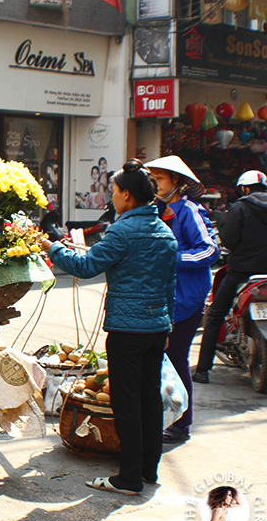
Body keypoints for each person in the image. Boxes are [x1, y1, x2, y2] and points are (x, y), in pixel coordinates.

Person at [41, 159, 177, 495]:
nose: (111, 196)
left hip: (128, 332)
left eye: (114, 191)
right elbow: (170, 285)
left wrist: (53, 248)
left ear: (127, 195)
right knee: (149, 399)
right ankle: (147, 470)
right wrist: (168, 326)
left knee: (126, 402)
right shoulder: (163, 231)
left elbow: (86, 266)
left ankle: (127, 478)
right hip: (156, 328)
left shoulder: (123, 230)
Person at [145, 155, 218, 443]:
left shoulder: (189, 211)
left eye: (160, 179)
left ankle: (181, 424)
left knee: (176, 359)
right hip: (164, 299)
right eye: (153, 180)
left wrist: (172, 258)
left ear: (176, 181)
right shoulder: (157, 210)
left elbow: (209, 251)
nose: (155, 185)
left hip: (187, 298)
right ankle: (166, 416)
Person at [194, 170, 267, 383]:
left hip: (241, 272)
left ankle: (202, 371)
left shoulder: (241, 207)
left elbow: (229, 241)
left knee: (215, 316)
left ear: (244, 188)